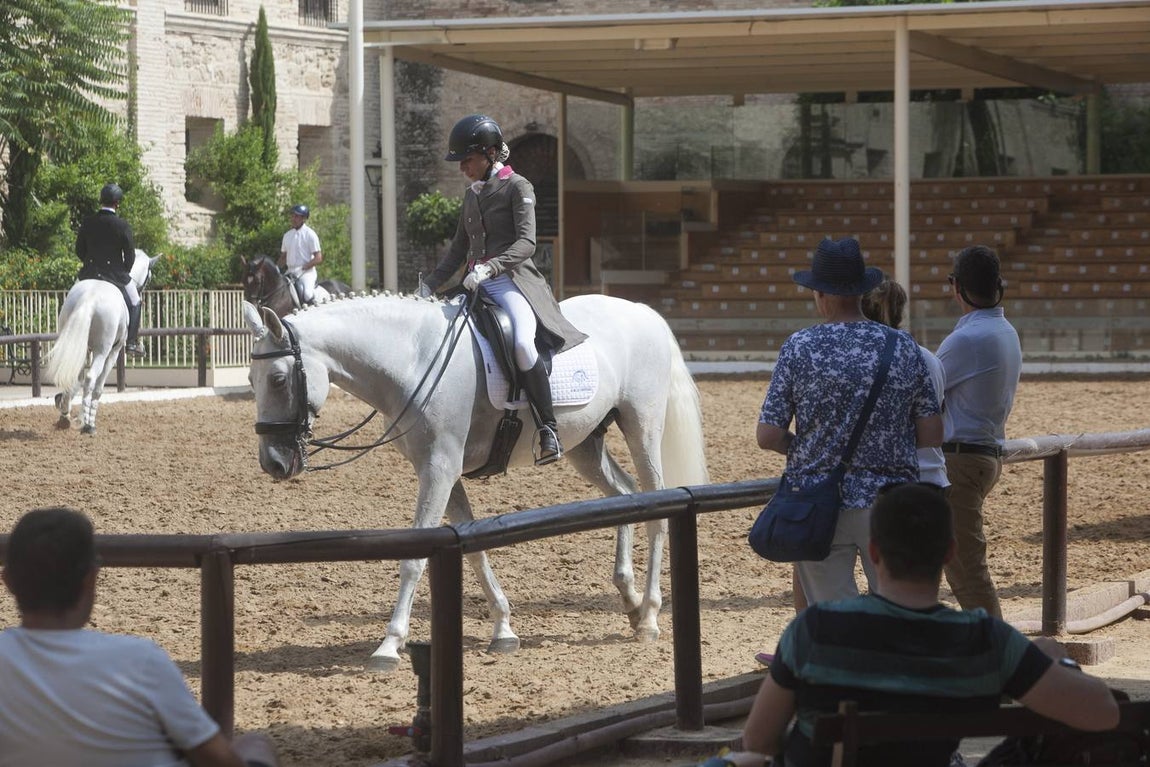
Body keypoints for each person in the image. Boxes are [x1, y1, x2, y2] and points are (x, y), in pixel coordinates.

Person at [735, 483, 1120, 767]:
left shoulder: (816, 629)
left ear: (874, 551)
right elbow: (1104, 712)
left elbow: (758, 739)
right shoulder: (984, 640)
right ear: (949, 553)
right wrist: (1048, 659)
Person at [0, 507, 278, 767]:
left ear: (8, 581)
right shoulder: (140, 660)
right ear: (91, 578)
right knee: (255, 744)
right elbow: (217, 758)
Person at [757, 237, 942, 606]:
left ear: (820, 294)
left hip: (818, 498)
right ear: (861, 291)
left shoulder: (799, 346)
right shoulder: (903, 346)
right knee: (899, 612)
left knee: (834, 617)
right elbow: (932, 433)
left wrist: (810, 448)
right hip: (891, 502)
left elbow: (768, 435)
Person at [420, 113, 588, 466]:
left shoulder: (518, 187)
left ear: (491, 154)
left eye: (468, 159)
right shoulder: (471, 195)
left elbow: (527, 243)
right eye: (461, 161)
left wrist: (490, 266)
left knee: (524, 345)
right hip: (474, 283)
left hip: (512, 282)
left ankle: (548, 430)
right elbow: (456, 251)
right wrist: (430, 284)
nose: (463, 167)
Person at [936, 244, 1022, 618]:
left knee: (967, 568)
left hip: (961, 459)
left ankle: (998, 652)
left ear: (956, 286)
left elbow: (926, 387)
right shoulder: (1005, 331)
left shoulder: (966, 340)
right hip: (984, 453)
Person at [861, 278, 948, 489]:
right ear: (901, 313)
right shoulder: (929, 359)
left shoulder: (859, 361)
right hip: (931, 475)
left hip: (886, 482)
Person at [76, 182, 146, 357]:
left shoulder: (88, 222)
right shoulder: (122, 225)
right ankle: (131, 343)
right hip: (115, 274)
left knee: (72, 297)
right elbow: (130, 256)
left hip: (88, 273)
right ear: (117, 203)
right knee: (136, 302)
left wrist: (90, 263)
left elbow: (79, 250)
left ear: (101, 201)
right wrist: (124, 271)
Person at [278, 203, 323, 305]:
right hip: (290, 272)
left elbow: (318, 257)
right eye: (292, 216)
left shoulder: (310, 234)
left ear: (303, 218)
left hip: (306, 272)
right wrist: (276, 269)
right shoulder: (287, 235)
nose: (293, 218)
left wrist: (305, 266)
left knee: (307, 294)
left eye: (297, 216)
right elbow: (283, 257)